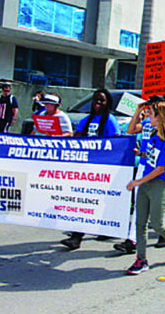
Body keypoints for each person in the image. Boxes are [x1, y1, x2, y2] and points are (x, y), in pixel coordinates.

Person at [125, 101, 165, 275]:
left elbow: (160, 168)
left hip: (160, 183)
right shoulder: (153, 135)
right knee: (140, 222)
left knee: (157, 224)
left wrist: (138, 182)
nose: (149, 117)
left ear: (161, 117)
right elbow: (151, 157)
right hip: (146, 182)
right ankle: (141, 259)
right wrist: (140, 154)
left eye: (152, 114)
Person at [61, 89, 121, 250]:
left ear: (107, 103)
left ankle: (86, 233)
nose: (98, 103)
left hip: (103, 167)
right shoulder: (85, 119)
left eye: (102, 100)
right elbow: (77, 139)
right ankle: (77, 236)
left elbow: (116, 143)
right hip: (86, 166)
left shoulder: (111, 120)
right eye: (96, 100)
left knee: (97, 201)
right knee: (84, 200)